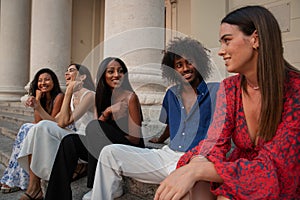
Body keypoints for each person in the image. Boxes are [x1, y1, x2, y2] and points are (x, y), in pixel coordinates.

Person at [154, 5, 300, 200]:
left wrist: (196, 171)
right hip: (236, 177)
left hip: (278, 182)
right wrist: (197, 163)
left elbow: (273, 166)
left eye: (227, 41)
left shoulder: (295, 90)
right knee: (196, 179)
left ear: (255, 39)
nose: (221, 52)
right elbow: (216, 141)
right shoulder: (229, 88)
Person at [83, 37, 219, 200]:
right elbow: (171, 125)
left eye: (189, 62)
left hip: (194, 160)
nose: (185, 69)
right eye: (178, 65)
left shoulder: (216, 91)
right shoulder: (171, 93)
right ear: (173, 70)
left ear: (200, 62)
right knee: (109, 152)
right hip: (167, 155)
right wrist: (160, 138)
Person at [44, 57, 145, 200]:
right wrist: (108, 111)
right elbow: (97, 129)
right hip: (104, 147)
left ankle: (96, 185)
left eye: (120, 71)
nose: (116, 75)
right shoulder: (101, 97)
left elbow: (135, 139)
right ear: (103, 75)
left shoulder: (130, 98)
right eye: (111, 71)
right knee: (70, 141)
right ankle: (56, 197)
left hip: (128, 147)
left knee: (93, 127)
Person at [18, 64, 95, 200]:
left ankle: (36, 186)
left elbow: (64, 122)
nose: (66, 74)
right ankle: (35, 183)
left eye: (71, 71)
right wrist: (38, 106)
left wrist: (68, 92)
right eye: (66, 71)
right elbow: (54, 121)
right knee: (37, 127)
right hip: (73, 139)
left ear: (82, 77)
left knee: (42, 127)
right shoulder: (71, 98)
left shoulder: (89, 95)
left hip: (85, 143)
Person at [0, 68, 64, 193]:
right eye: (40, 80)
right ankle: (14, 177)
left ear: (54, 82)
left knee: (27, 128)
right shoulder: (42, 97)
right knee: (27, 127)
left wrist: (37, 105)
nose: (43, 83)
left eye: (47, 79)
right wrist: (38, 100)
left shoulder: (59, 97)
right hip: (44, 128)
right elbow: (38, 121)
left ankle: (14, 178)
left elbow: (52, 123)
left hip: (57, 130)